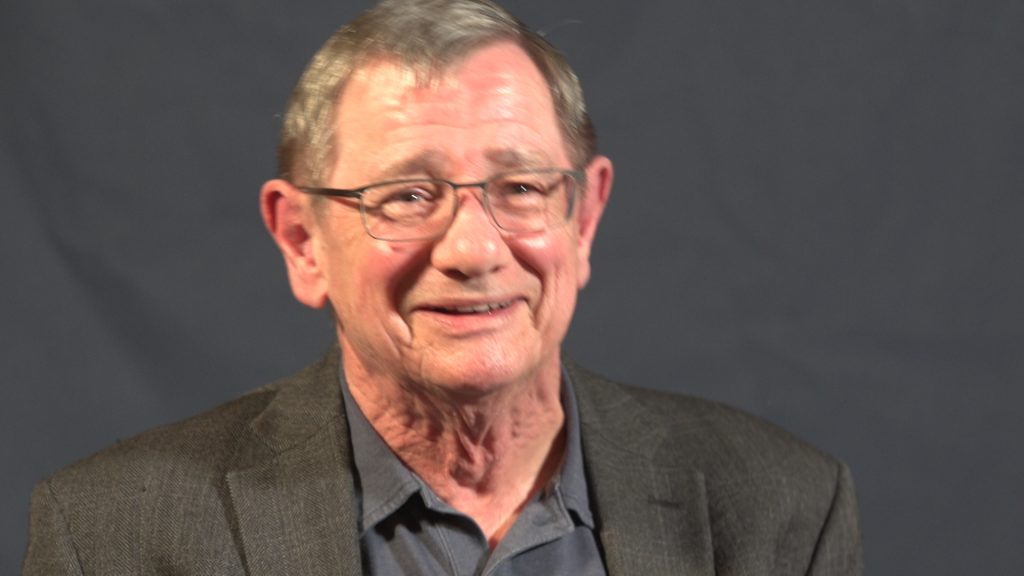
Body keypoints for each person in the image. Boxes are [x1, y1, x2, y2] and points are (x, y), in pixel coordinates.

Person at [22, 0, 862, 574]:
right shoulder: (115, 538)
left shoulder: (780, 510)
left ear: (583, 217)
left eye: (521, 187)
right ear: (302, 240)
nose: (473, 248)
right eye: (406, 196)